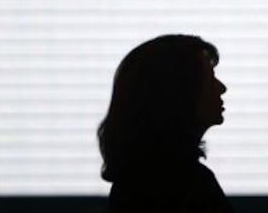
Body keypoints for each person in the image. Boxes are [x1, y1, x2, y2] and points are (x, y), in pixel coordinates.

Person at [97, 34, 235, 213]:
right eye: (210, 81)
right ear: (179, 95)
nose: (221, 88)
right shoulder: (189, 186)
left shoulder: (133, 183)